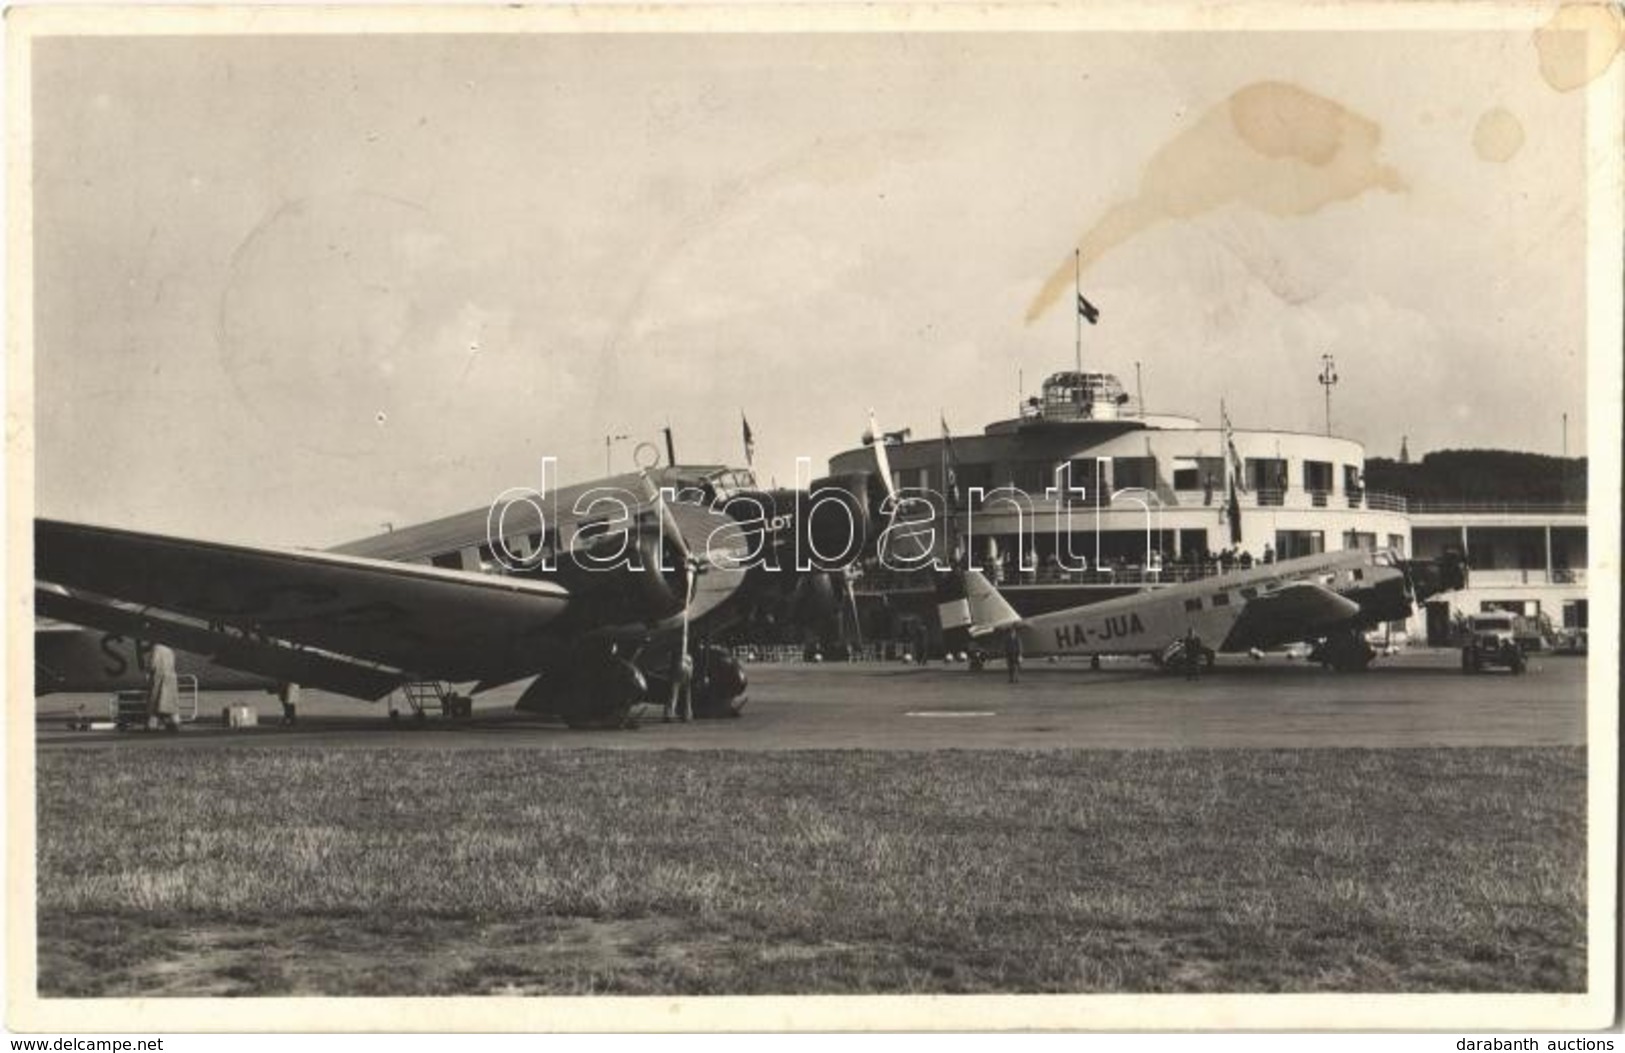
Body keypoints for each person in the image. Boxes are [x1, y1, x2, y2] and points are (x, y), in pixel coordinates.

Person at [146, 643, 179, 732]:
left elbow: (153, 664)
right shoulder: (170, 650)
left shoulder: (156, 648)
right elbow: (173, 664)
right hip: (170, 677)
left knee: (155, 701)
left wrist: (148, 672)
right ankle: (174, 723)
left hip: (159, 676)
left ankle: (152, 725)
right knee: (169, 702)